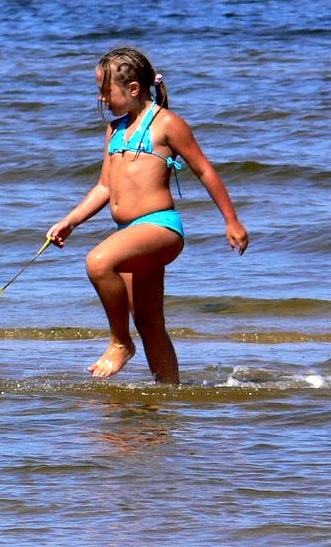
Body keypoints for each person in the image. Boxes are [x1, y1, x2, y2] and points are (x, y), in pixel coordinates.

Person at [46, 47, 249, 384]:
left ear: (134, 89)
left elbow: (205, 172)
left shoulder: (167, 123)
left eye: (105, 90)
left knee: (98, 262)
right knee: (149, 323)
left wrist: (232, 221)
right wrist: (70, 221)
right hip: (129, 232)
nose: (101, 98)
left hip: (159, 227)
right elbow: (103, 188)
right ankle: (168, 397)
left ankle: (120, 342)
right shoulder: (114, 131)